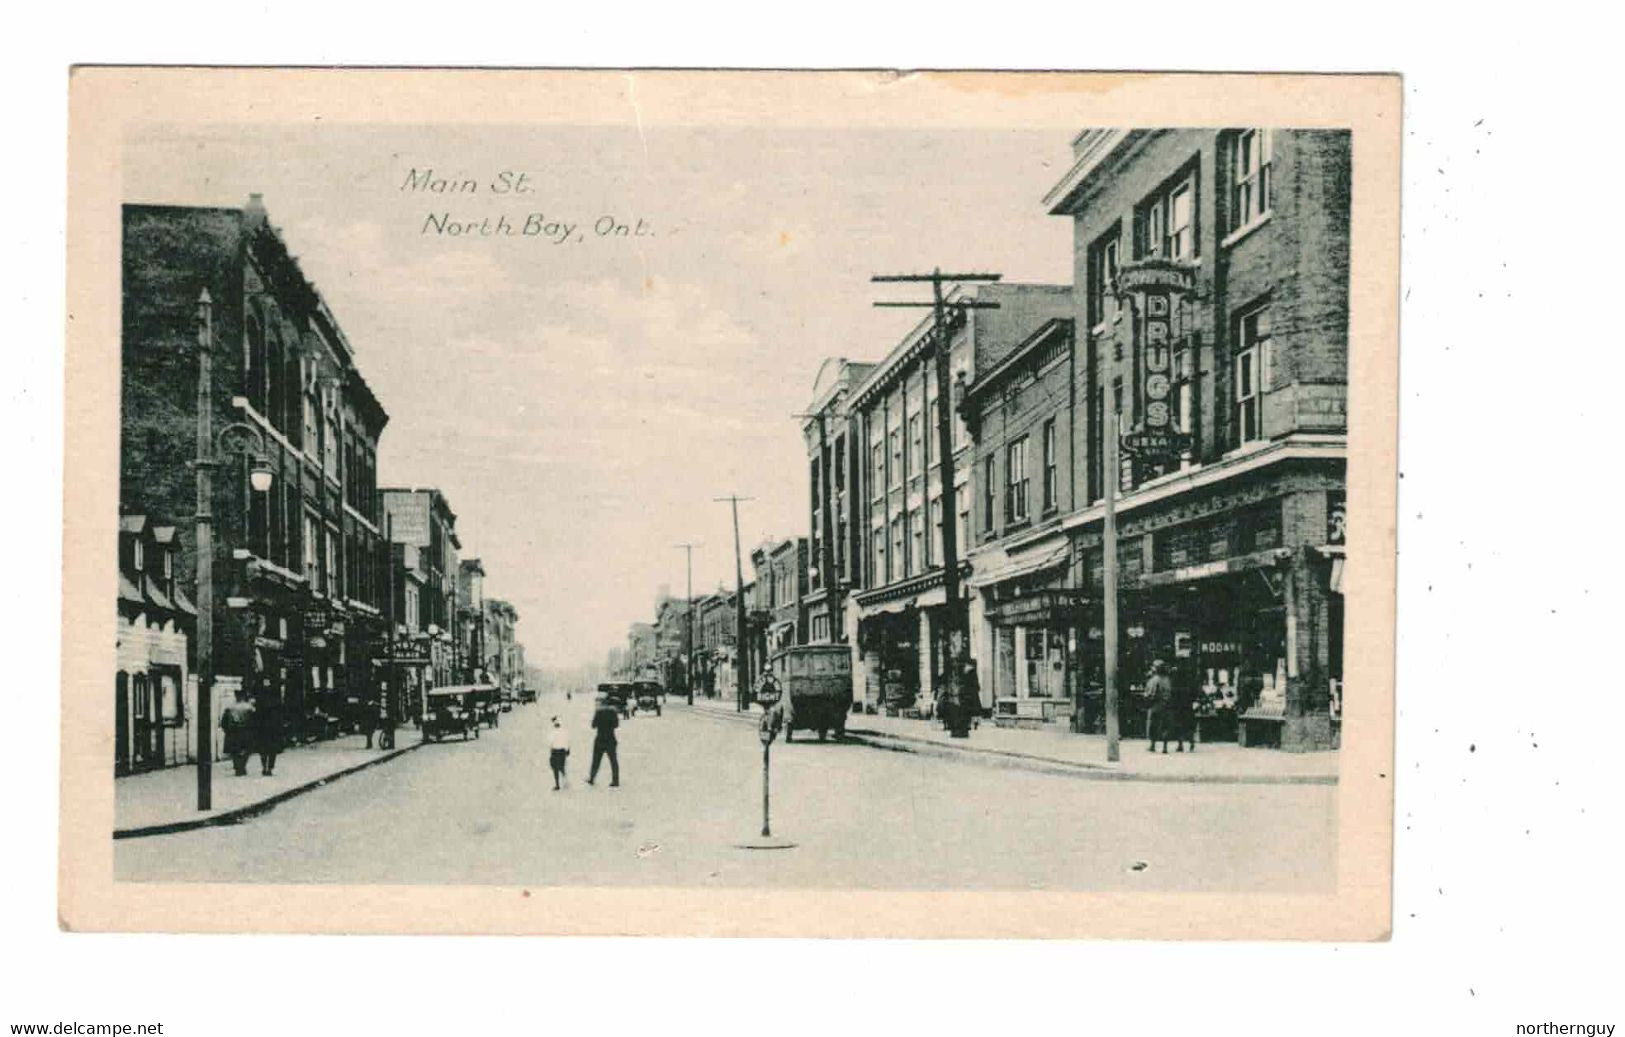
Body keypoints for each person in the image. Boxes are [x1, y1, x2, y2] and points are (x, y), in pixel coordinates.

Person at [219, 688, 256, 776]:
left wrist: (226, 730)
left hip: (233, 732)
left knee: (234, 751)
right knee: (246, 750)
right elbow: (254, 721)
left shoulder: (229, 707)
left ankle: (237, 767)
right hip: (246, 731)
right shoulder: (249, 708)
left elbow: (224, 721)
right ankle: (242, 766)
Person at [586, 694, 620, 787]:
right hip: (611, 739)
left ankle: (592, 778)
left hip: (600, 739)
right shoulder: (613, 712)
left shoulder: (598, 712)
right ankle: (615, 780)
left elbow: (593, 725)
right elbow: (616, 725)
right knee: (613, 761)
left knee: (596, 760)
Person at [1145, 659, 1174, 753]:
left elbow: (1151, 694)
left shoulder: (1154, 680)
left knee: (1153, 725)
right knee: (1165, 726)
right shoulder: (1167, 680)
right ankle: (1164, 747)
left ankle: (1153, 745)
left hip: (1156, 705)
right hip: (1167, 705)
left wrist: (1146, 697)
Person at [256, 693, 282, 776]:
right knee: (272, 751)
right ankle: (269, 768)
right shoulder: (275, 708)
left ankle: (264, 767)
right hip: (272, 732)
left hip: (263, 732)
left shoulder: (260, 708)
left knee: (264, 751)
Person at [548, 716, 570, 790]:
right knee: (562, 767)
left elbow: (550, 743)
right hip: (562, 752)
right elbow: (566, 742)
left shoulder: (552, 732)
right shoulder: (564, 732)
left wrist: (551, 751)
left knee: (555, 769)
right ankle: (565, 781)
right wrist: (567, 750)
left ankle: (557, 785)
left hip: (555, 752)